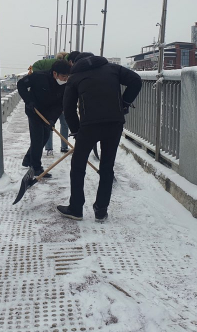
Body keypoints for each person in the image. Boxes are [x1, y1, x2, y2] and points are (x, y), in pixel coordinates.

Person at [58, 52, 142, 222]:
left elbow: (68, 109)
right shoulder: (113, 69)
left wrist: (75, 131)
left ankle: (76, 208)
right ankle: (101, 210)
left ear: (76, 63)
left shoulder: (75, 77)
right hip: (114, 123)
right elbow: (136, 81)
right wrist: (124, 103)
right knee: (107, 166)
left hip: (89, 126)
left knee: (78, 165)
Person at [17, 59, 71, 178]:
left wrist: (52, 119)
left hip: (48, 113)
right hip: (34, 110)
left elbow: (60, 105)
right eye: (63, 76)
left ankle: (27, 159)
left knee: (45, 136)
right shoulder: (38, 76)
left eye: (67, 76)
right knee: (37, 138)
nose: (65, 79)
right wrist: (28, 101)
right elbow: (21, 84)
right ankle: (36, 167)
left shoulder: (65, 85)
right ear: (55, 73)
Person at [32, 51, 81, 156]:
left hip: (62, 100)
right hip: (51, 101)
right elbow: (35, 67)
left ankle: (64, 147)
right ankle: (49, 148)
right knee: (50, 123)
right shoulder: (53, 65)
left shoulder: (71, 71)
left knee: (64, 123)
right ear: (71, 61)